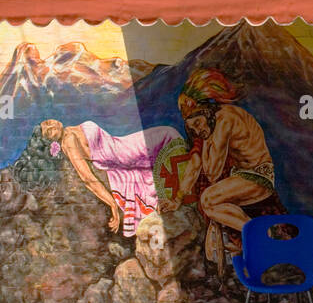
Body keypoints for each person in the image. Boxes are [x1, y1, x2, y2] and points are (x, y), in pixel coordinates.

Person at [162, 68, 290, 272]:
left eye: (198, 123)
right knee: (211, 205)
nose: (197, 130)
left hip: (257, 177)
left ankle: (260, 236)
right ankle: (257, 236)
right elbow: (195, 167)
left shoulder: (225, 120)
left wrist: (205, 140)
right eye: (192, 128)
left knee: (209, 200)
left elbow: (212, 171)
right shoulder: (213, 123)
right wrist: (177, 198)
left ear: (207, 111)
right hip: (241, 177)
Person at [39, 119, 183, 236]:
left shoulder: (70, 130)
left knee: (168, 134)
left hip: (122, 144)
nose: (52, 126)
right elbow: (87, 178)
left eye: (50, 123)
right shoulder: (69, 141)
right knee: (168, 135)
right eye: (49, 131)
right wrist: (112, 205)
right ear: (51, 138)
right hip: (124, 154)